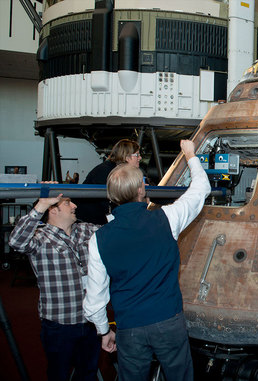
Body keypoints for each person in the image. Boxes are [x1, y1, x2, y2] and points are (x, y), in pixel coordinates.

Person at [83, 140, 210, 381]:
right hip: (169, 321)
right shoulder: (167, 219)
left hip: (129, 328)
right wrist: (191, 154)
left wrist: (103, 331)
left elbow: (95, 299)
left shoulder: (98, 240)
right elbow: (200, 188)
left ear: (111, 195)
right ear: (141, 190)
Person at [9, 194, 101, 381]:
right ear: (53, 209)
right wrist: (40, 205)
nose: (75, 205)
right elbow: (16, 242)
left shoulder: (86, 230)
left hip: (91, 321)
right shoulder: (40, 238)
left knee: (88, 374)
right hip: (60, 324)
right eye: (68, 203)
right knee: (59, 374)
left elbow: (118, 231)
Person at [75, 139, 141, 225]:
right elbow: (113, 200)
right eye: (137, 155)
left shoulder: (115, 170)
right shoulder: (107, 172)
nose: (140, 158)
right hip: (89, 222)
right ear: (126, 157)